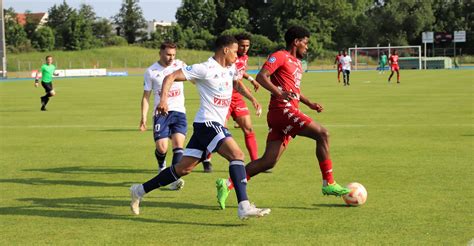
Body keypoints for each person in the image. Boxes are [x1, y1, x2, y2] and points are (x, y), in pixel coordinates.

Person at [129, 35, 270, 220]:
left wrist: (252, 99)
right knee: (237, 156)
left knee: (183, 169)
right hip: (207, 123)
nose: (238, 55)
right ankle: (243, 206)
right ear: (225, 50)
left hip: (210, 125)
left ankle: (139, 190)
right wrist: (163, 99)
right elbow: (170, 76)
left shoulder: (231, 68)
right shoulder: (204, 69)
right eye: (235, 51)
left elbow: (235, 83)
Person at [215, 26, 350, 210]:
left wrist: (309, 103)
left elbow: (294, 91)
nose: (307, 47)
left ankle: (228, 183)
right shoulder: (280, 56)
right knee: (323, 134)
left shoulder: (297, 63)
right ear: (296, 41)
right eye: (306, 42)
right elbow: (262, 76)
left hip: (286, 112)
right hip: (282, 111)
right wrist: (278, 93)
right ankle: (329, 182)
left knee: (268, 161)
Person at [202, 33, 262, 173]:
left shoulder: (244, 58)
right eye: (242, 46)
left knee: (248, 128)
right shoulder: (227, 59)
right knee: (219, 132)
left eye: (247, 45)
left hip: (238, 98)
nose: (245, 48)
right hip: (224, 98)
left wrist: (251, 80)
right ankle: (207, 159)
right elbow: (234, 78)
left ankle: (256, 162)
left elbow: (240, 73)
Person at [139, 42, 186, 190]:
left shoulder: (180, 65)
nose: (171, 58)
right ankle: (162, 166)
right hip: (161, 113)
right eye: (168, 54)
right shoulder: (151, 71)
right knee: (162, 148)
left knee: (178, 145)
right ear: (160, 53)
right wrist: (144, 117)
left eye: (173, 55)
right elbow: (146, 96)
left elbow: (195, 78)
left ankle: (173, 179)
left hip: (179, 111)